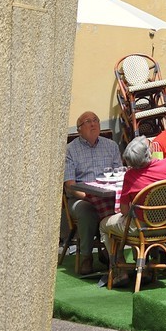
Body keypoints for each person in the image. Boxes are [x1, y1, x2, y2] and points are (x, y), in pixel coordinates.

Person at [63, 112, 122, 275]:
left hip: (108, 197)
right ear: (79, 129)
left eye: (96, 120)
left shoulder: (111, 146)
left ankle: (115, 256)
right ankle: (86, 257)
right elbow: (70, 186)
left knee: (123, 208)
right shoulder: (70, 150)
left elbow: (119, 175)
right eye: (88, 121)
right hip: (81, 198)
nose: (93, 124)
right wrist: (90, 198)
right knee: (87, 210)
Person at [98, 135, 166, 247]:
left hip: (141, 228)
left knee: (103, 225)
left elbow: (124, 210)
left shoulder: (130, 176)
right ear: (149, 152)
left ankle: (118, 261)